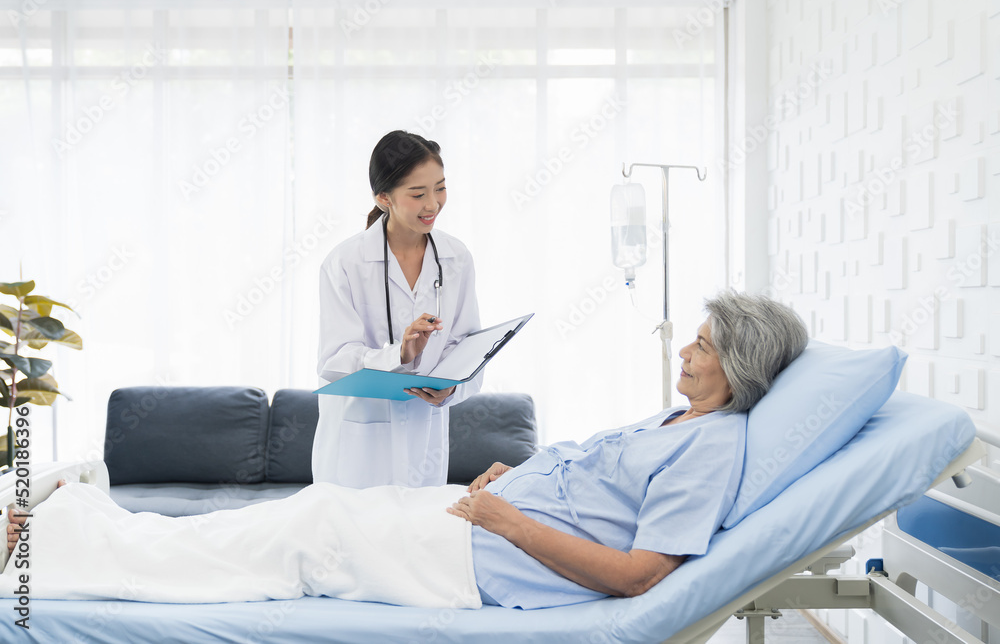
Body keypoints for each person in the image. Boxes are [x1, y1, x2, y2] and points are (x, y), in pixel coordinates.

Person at [3, 292, 807, 610]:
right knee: (308, 516)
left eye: (701, 346)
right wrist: (513, 479)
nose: (685, 354)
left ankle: (61, 547)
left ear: (738, 366)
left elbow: (642, 576)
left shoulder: (713, 445)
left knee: (297, 538)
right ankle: (70, 525)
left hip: (473, 554)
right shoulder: (676, 422)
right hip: (469, 522)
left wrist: (508, 519)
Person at [314, 130, 482, 488]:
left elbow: (467, 347)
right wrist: (398, 355)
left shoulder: (456, 257)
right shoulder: (345, 262)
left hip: (425, 440)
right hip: (357, 444)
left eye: (440, 188)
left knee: (416, 537)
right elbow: (334, 361)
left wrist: (452, 387)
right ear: (384, 197)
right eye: (418, 194)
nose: (433, 204)